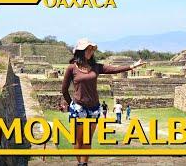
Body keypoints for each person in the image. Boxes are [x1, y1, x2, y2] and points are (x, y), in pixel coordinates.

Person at [62, 38, 145, 166]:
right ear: (80, 51)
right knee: (78, 140)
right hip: (78, 108)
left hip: (94, 108)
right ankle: (80, 163)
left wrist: (132, 66)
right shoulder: (72, 68)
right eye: (87, 49)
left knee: (87, 140)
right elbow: (64, 90)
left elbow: (114, 69)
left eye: (91, 49)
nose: (90, 52)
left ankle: (84, 163)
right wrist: (72, 105)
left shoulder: (96, 67)